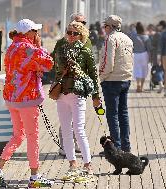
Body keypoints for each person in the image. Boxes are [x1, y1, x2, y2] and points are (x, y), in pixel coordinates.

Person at [0, 19, 54, 187]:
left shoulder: (11, 48)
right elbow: (49, 63)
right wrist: (39, 46)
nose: (37, 34)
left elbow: (25, 68)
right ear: (27, 33)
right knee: (33, 137)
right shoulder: (29, 49)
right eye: (35, 31)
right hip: (28, 100)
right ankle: (34, 177)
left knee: (18, 136)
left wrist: (35, 67)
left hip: (11, 99)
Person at [53, 21, 101, 179]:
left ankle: (88, 165)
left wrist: (96, 97)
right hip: (61, 95)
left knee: (79, 130)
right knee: (66, 131)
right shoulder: (60, 49)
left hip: (78, 94)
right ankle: (72, 164)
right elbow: (53, 69)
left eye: (75, 33)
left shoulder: (86, 52)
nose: (71, 36)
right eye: (69, 32)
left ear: (82, 35)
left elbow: (94, 76)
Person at [52, 13, 93, 156]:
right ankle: (64, 147)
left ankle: (78, 149)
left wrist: (92, 91)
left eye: (83, 22)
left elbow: (90, 67)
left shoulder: (87, 42)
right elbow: (53, 62)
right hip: (63, 88)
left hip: (79, 88)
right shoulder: (61, 42)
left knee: (78, 124)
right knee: (65, 122)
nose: (80, 24)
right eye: (77, 22)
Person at [99, 15, 133, 153]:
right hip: (125, 79)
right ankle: (126, 147)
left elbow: (108, 62)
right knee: (123, 113)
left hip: (112, 80)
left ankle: (116, 148)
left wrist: (101, 76)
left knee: (112, 115)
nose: (104, 29)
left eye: (105, 26)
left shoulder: (110, 39)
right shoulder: (127, 38)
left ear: (109, 27)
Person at [130, 22, 152, 92]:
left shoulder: (133, 37)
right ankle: (141, 87)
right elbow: (149, 48)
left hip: (136, 55)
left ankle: (138, 84)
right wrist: (150, 58)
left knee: (137, 70)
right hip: (144, 55)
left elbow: (130, 46)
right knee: (144, 70)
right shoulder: (146, 37)